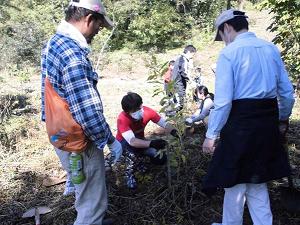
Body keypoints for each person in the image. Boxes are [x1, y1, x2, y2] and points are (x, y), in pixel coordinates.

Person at [201, 9, 295, 225]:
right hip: (267, 124)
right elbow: (287, 94)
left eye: (222, 35)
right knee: (257, 178)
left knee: (233, 179)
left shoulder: (229, 53)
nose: (223, 41)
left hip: (240, 125)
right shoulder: (270, 48)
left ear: (227, 28)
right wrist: (281, 119)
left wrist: (211, 134)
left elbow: (223, 101)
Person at [41, 1, 122, 224]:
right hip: (80, 141)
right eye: (99, 26)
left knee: (84, 192)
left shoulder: (54, 43)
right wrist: (109, 140)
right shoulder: (72, 54)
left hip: (61, 134)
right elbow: (87, 109)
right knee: (93, 204)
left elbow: (45, 93)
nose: (98, 31)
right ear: (88, 19)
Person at [116, 92, 178, 189]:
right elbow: (132, 141)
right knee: (132, 157)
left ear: (141, 105)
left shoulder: (148, 112)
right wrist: (151, 143)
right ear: (127, 112)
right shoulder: (122, 119)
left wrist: (174, 131)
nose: (137, 112)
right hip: (124, 143)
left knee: (160, 157)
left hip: (140, 140)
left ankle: (141, 162)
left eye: (138, 109)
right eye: (133, 111)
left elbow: (164, 123)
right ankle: (129, 175)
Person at [170, 45, 197, 111]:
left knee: (180, 100)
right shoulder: (182, 59)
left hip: (178, 83)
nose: (192, 56)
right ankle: (175, 117)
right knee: (180, 101)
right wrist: (190, 80)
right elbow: (183, 71)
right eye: (192, 54)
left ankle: (177, 116)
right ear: (189, 52)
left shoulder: (181, 58)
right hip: (178, 83)